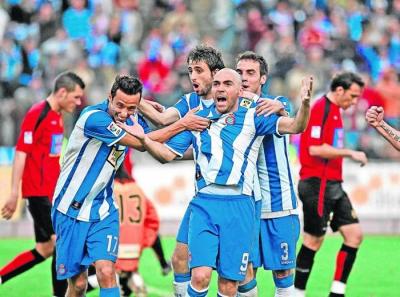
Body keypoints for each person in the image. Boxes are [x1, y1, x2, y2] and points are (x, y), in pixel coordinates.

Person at [120, 68, 312, 296]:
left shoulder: (253, 116)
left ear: (240, 90)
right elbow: (165, 154)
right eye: (217, 83)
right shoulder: (197, 117)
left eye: (227, 84)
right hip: (205, 204)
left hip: (240, 206)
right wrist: (143, 137)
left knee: (228, 285)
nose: (220, 88)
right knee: (199, 276)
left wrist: (305, 105)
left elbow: (296, 126)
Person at [51, 74, 208, 297]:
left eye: (131, 108)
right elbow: (141, 143)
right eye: (120, 106)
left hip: (103, 209)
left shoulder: (131, 117)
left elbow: (152, 134)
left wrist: (143, 109)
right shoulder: (94, 118)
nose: (124, 113)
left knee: (107, 272)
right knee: (77, 285)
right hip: (70, 209)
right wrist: (183, 124)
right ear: (109, 97)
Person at [139, 44, 225, 297]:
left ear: (216, 72)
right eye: (190, 71)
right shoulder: (191, 102)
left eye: (199, 70)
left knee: (236, 275)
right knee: (179, 259)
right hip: (203, 197)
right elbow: (165, 122)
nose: (193, 77)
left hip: (236, 197)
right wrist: (132, 99)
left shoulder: (231, 102)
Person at [0, 71, 85, 297]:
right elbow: (21, 153)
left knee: (45, 249)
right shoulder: (38, 113)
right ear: (62, 92)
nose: (77, 103)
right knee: (61, 242)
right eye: (75, 97)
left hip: (51, 193)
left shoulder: (57, 117)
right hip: (38, 194)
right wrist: (13, 192)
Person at [295, 72, 368, 297]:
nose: (355, 102)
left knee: (354, 235)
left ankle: (337, 293)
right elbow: (314, 148)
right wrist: (350, 153)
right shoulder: (320, 108)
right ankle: (296, 293)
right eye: (353, 96)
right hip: (316, 184)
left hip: (333, 184)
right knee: (313, 240)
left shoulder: (335, 110)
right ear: (339, 91)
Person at [235, 51, 302, 297]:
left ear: (263, 78)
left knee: (283, 276)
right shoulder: (228, 111)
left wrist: (283, 105)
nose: (244, 78)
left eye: (250, 73)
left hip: (279, 204)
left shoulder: (274, 104)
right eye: (240, 72)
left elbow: (291, 112)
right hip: (245, 206)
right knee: (243, 274)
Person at [86, 160, 160, 297]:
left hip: (110, 248)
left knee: (88, 279)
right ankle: (132, 279)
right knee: (120, 281)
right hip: (133, 252)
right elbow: (153, 222)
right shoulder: (137, 189)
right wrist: (141, 242)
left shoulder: (106, 190)